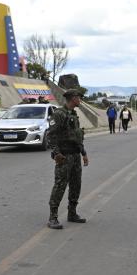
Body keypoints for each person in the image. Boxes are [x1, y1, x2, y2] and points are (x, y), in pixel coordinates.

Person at [47, 88, 90, 229]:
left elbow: (77, 137)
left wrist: (83, 153)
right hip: (64, 156)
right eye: (78, 97)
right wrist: (56, 153)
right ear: (72, 98)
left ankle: (72, 213)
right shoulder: (59, 114)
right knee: (60, 186)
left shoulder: (73, 114)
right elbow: (51, 135)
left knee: (76, 185)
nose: (80, 100)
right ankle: (52, 217)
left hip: (75, 156)